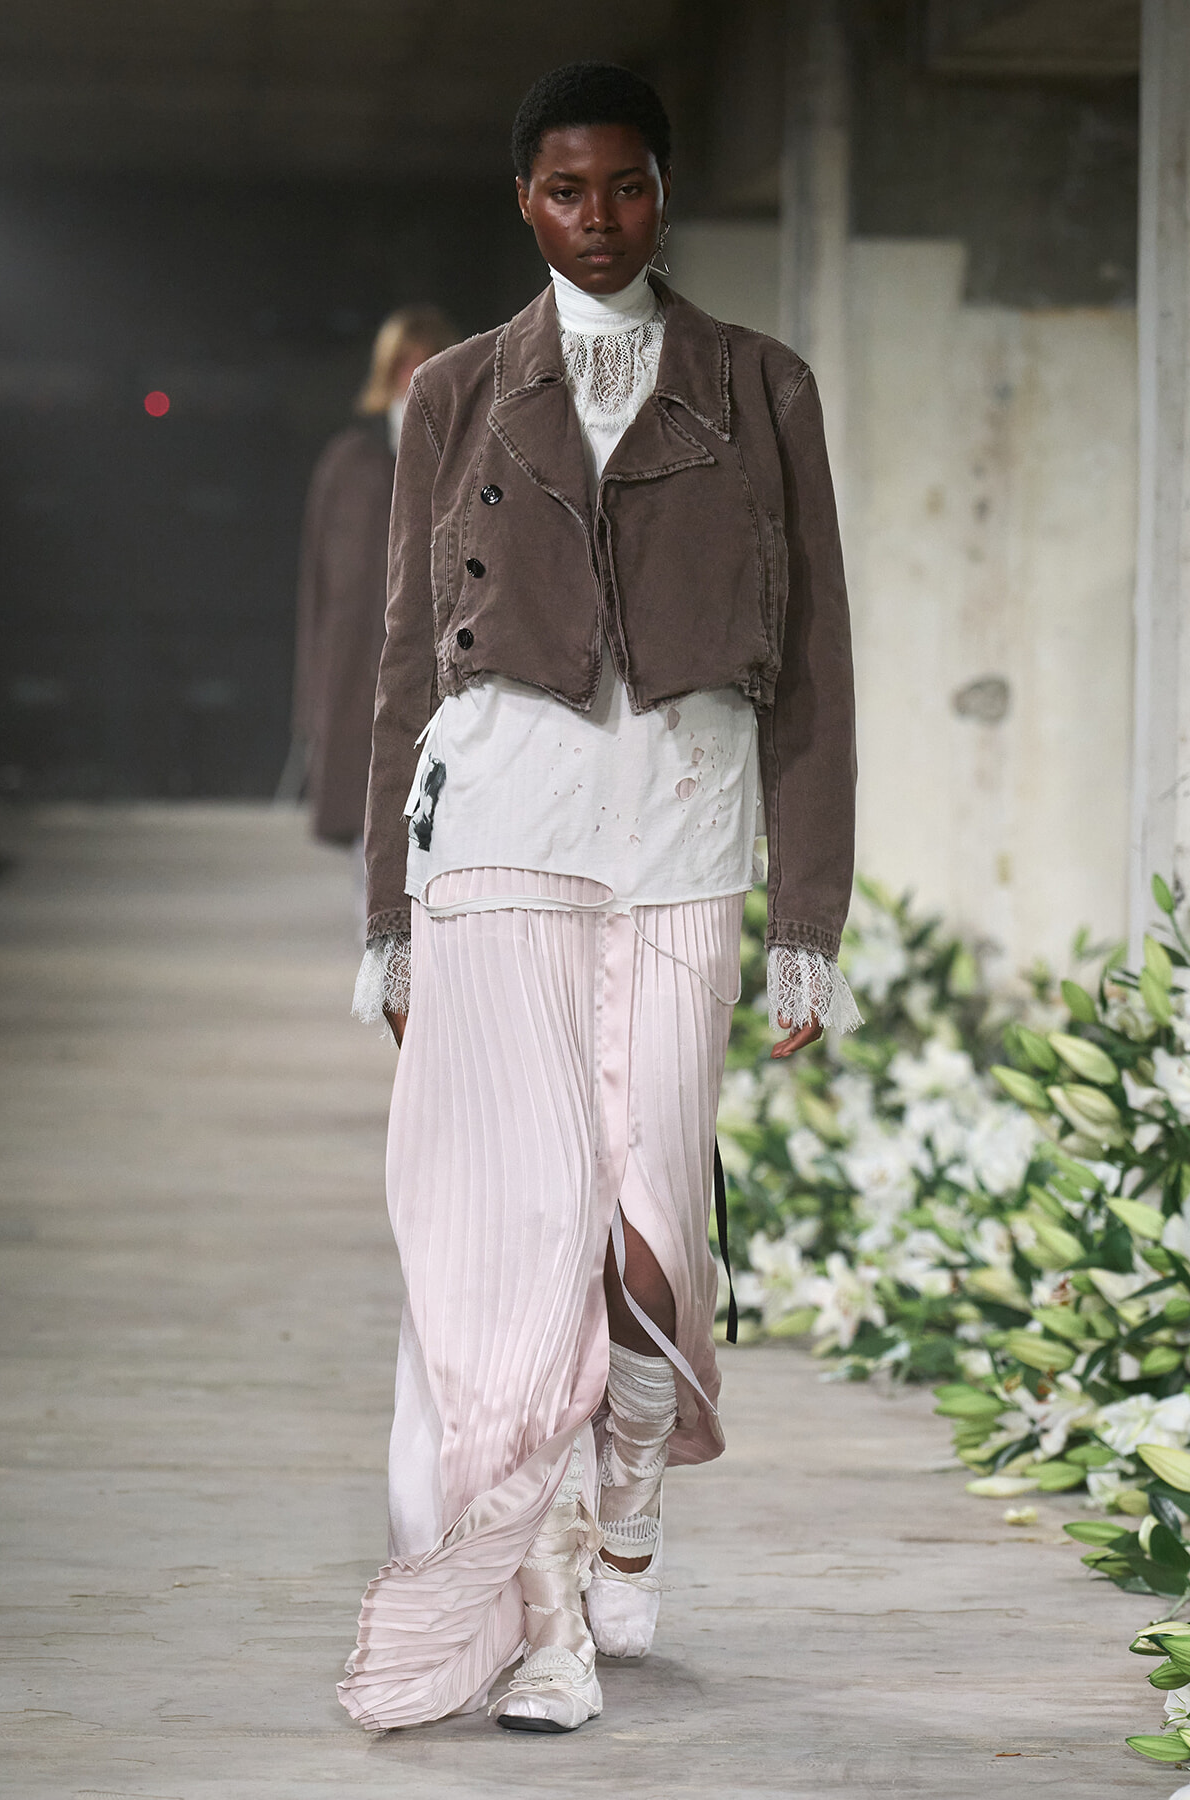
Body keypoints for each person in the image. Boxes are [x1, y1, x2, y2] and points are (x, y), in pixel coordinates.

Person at [340, 61, 859, 1737]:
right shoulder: (462, 396)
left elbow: (821, 676)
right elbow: (408, 669)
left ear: (664, 192)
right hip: (498, 839)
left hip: (688, 844)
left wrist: (810, 919)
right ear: (524, 200)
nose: (600, 217)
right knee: (519, 1237)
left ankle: (633, 1473)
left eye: (628, 186)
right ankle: (545, 1598)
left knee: (653, 1231)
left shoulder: (759, 388)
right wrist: (386, 913)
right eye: (568, 189)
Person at [292, 306, 456, 846]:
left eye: (426, 362)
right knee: (368, 857)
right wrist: (312, 704)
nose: (413, 377)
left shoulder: (465, 460)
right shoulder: (348, 465)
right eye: (404, 364)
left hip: (434, 684)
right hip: (353, 681)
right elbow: (317, 593)